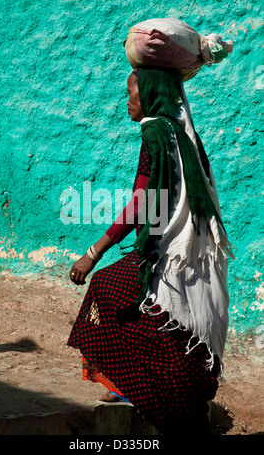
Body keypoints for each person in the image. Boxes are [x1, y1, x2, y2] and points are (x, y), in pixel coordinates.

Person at [67, 65, 234, 435]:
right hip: (191, 252)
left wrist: (93, 253)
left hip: (169, 251)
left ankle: (130, 387)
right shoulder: (181, 134)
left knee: (105, 287)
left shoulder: (156, 135)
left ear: (151, 96)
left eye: (131, 93)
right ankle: (150, 388)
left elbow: (144, 204)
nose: (127, 101)